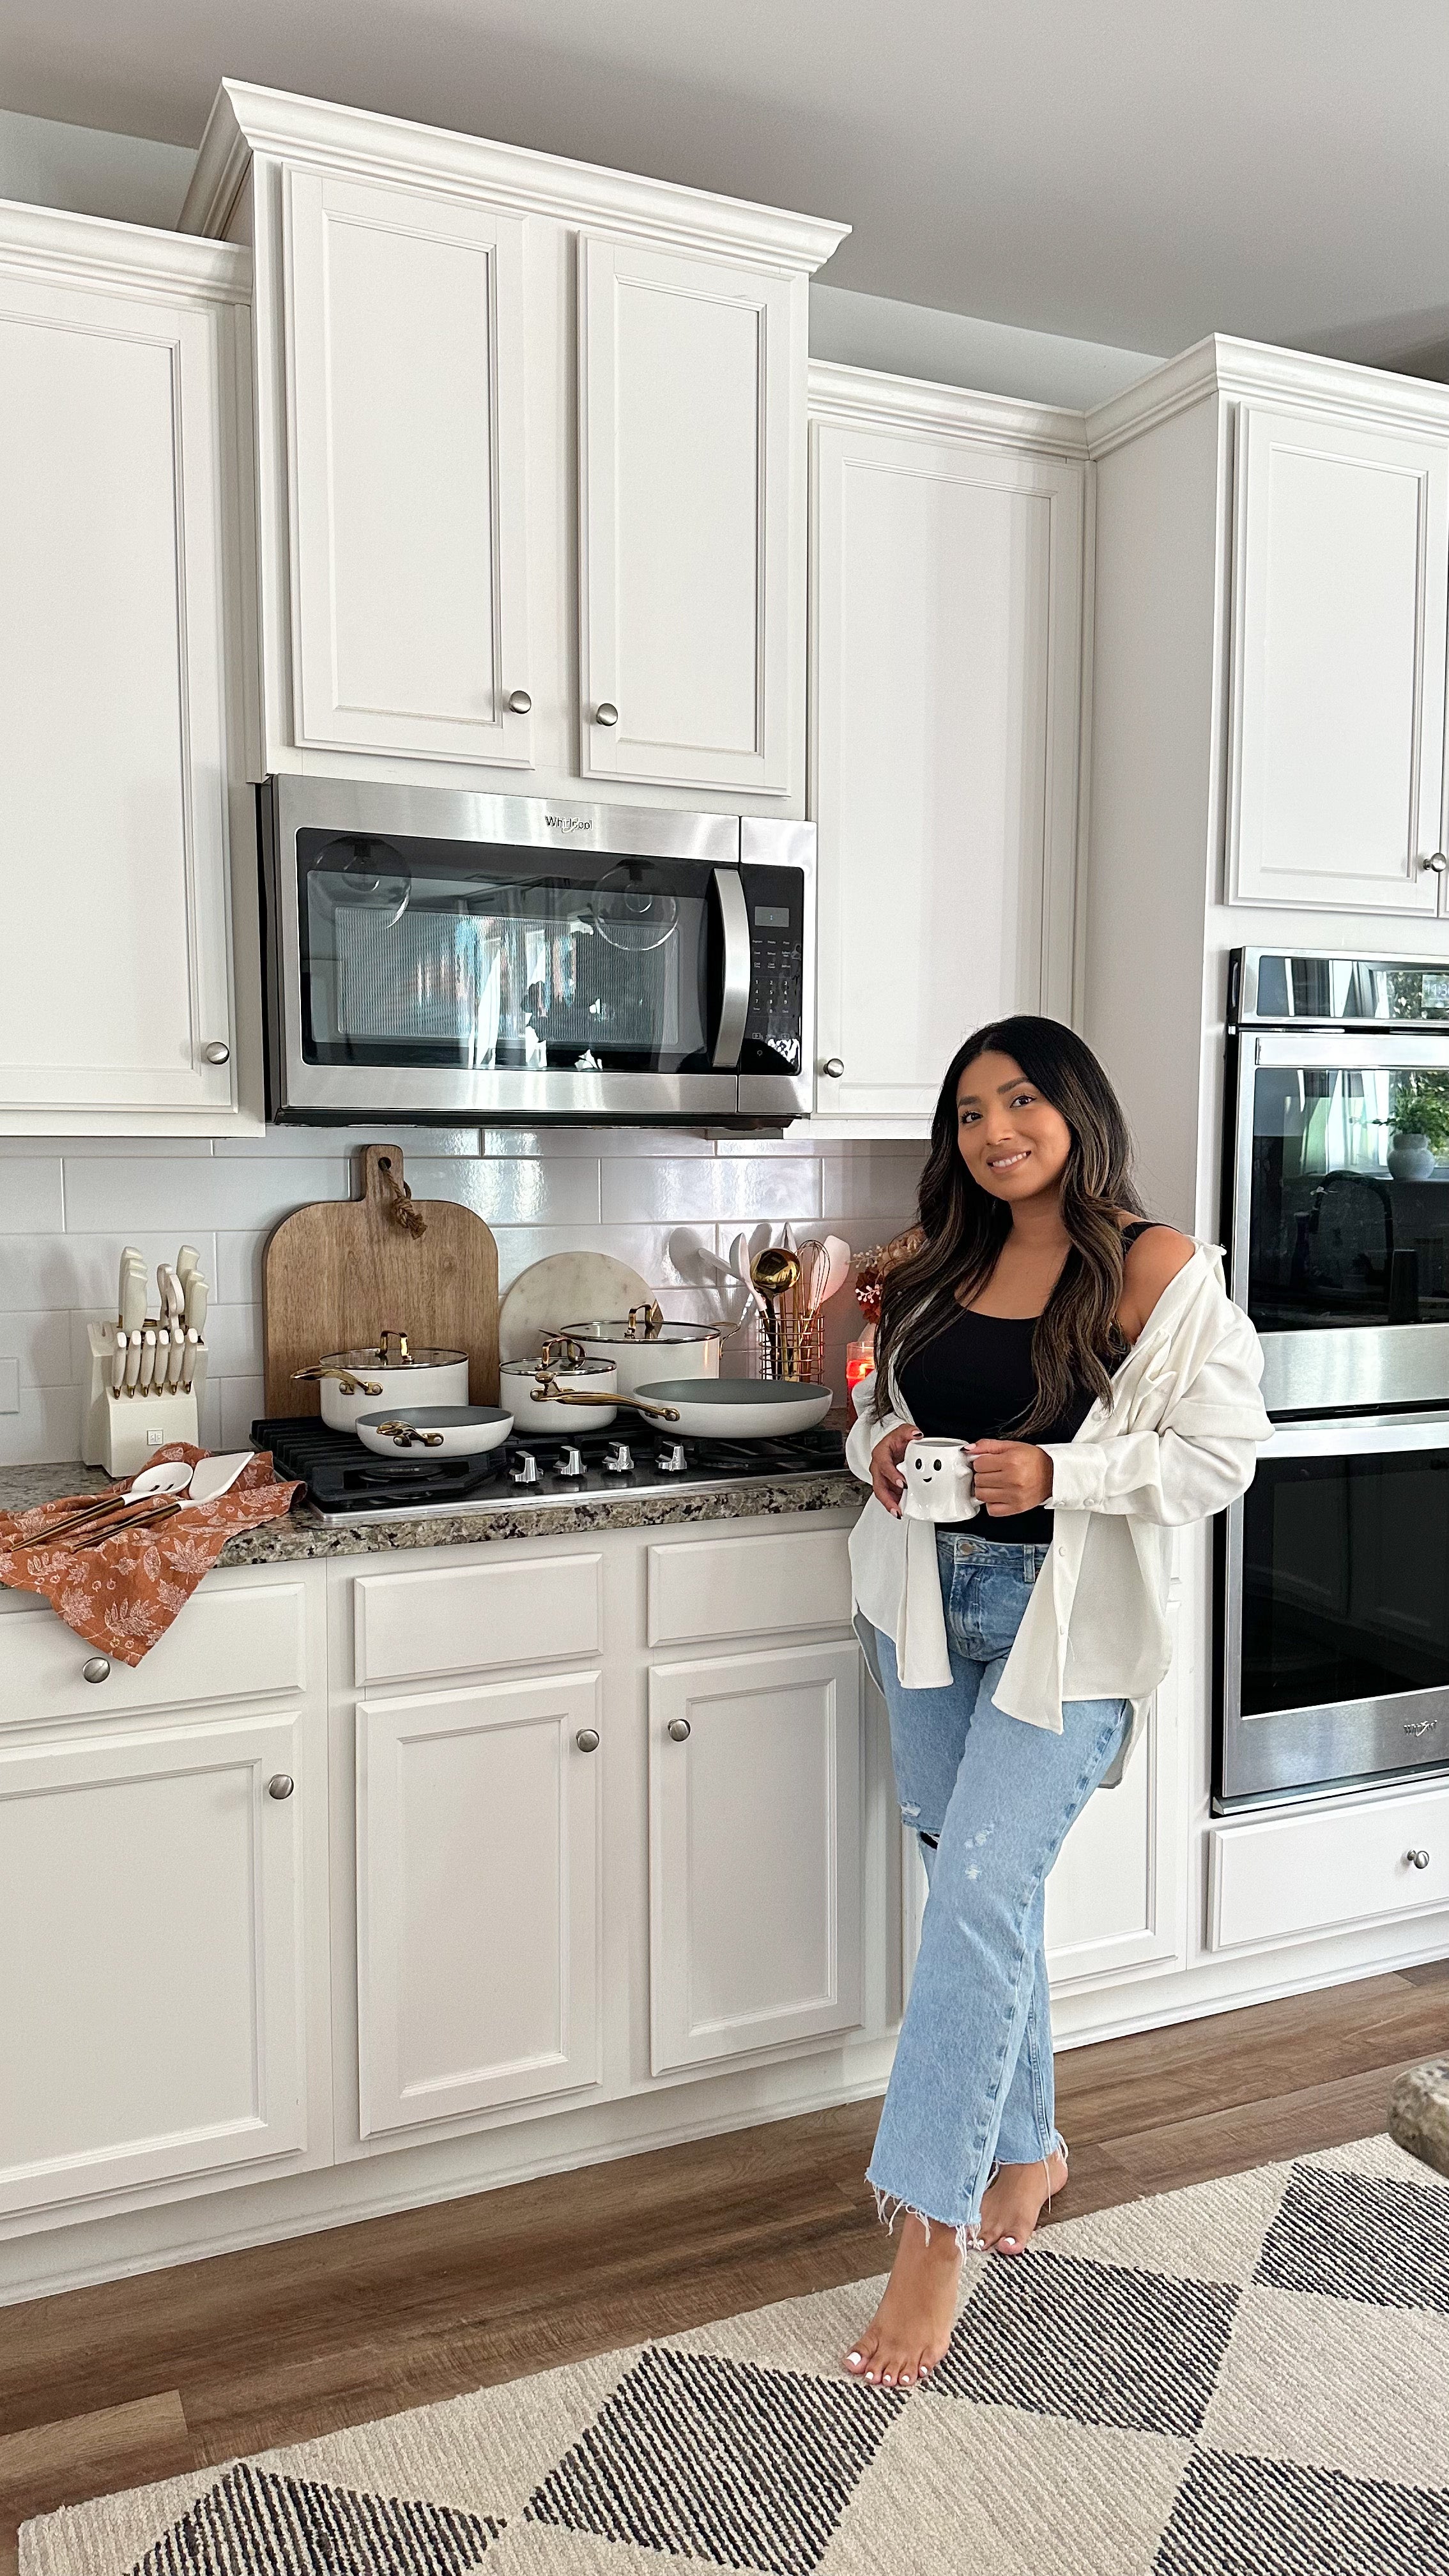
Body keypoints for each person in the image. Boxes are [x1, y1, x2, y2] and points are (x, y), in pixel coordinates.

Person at [841, 1015, 1271, 2391]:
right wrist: (883, 1446)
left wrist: (1061, 1479)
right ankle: (1028, 2146)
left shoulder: (1161, 1266)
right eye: (969, 1113)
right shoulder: (939, 1263)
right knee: (977, 1893)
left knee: (975, 1895)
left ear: (1077, 1108)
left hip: (1062, 1634)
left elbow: (1220, 1455)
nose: (994, 1132)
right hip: (917, 1608)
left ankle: (930, 2230)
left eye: (1020, 1101)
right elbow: (868, 1413)